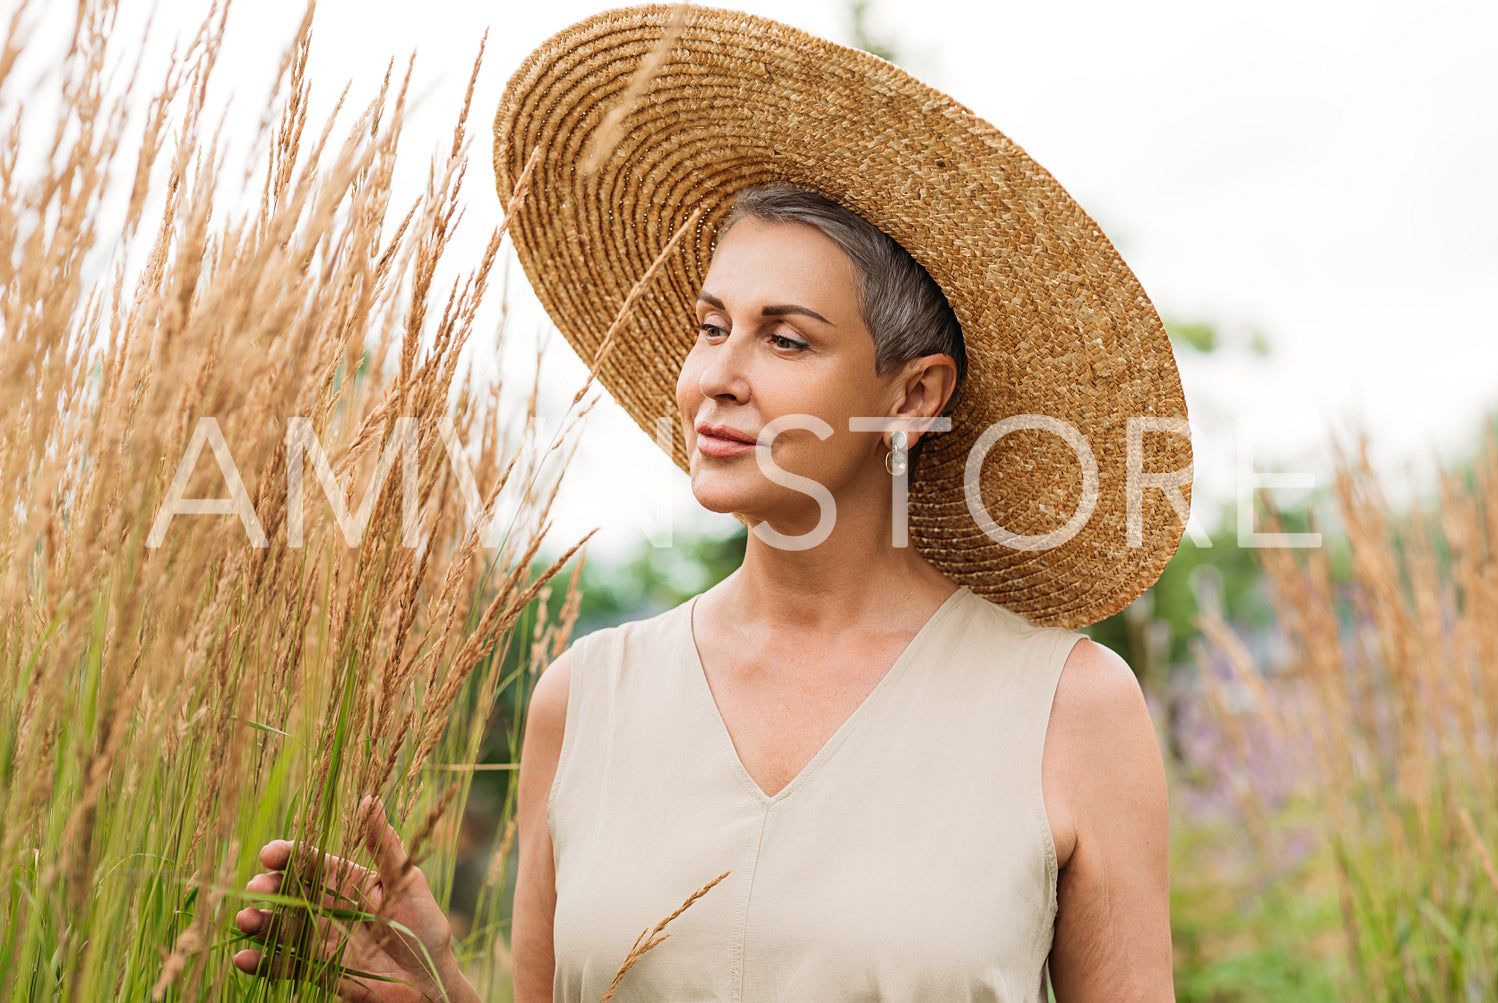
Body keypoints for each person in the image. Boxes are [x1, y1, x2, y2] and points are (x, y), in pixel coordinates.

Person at [234, 7, 1191, 1002]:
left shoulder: (1069, 710)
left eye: (784, 339)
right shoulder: (586, 701)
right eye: (710, 326)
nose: (715, 379)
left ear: (911, 396)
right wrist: (440, 991)